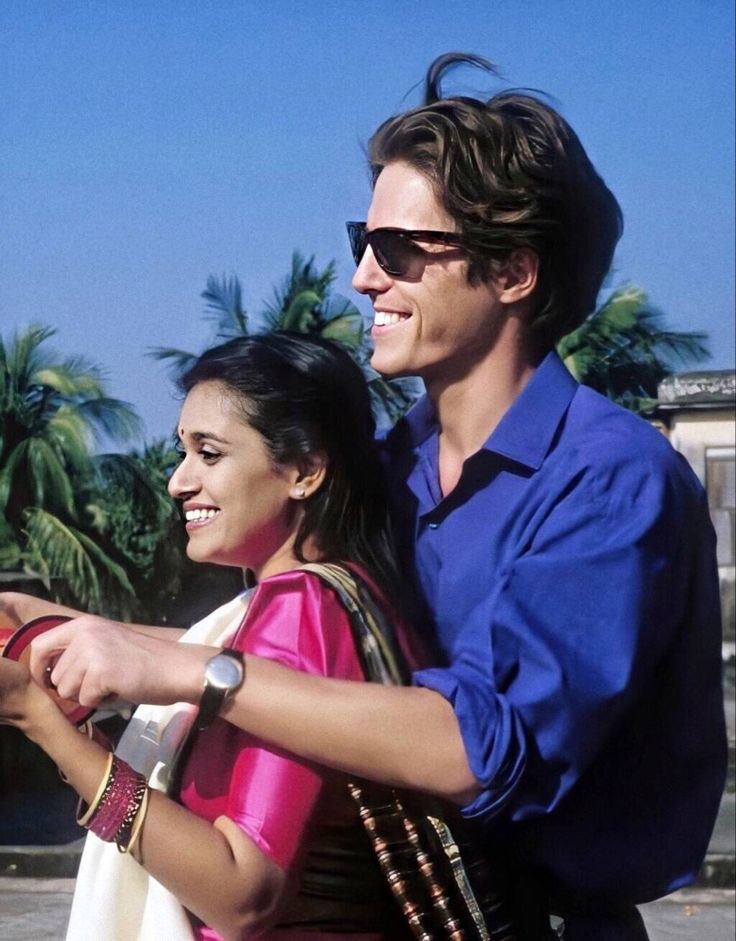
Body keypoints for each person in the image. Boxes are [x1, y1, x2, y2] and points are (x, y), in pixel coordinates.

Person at [3, 53, 727, 940]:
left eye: (398, 251)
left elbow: (474, 749)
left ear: (512, 274)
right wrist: (74, 633)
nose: (363, 279)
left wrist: (177, 667)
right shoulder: (395, 466)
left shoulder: (609, 479)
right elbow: (310, 659)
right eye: (363, 241)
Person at [0, 332, 453, 940]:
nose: (177, 482)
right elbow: (216, 652)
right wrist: (50, 621)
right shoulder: (319, 599)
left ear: (304, 470)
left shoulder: (303, 605)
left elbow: (242, 894)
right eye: (181, 452)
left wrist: (43, 724)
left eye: (208, 454)